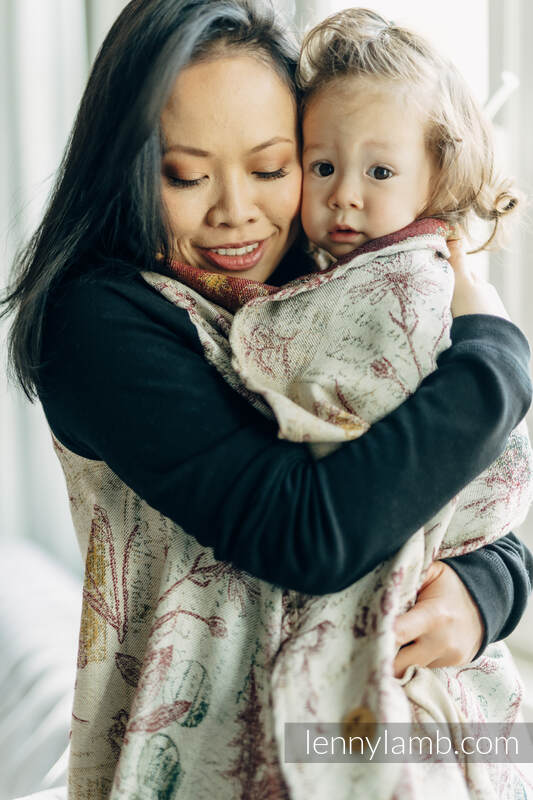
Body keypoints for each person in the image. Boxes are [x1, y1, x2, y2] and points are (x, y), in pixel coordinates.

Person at [1, 1, 531, 797]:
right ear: (126, 167)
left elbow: (452, 500)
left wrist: (488, 589)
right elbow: (303, 534)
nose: (236, 211)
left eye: (272, 166)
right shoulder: (98, 323)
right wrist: (494, 361)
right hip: (207, 755)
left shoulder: (319, 285)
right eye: (185, 175)